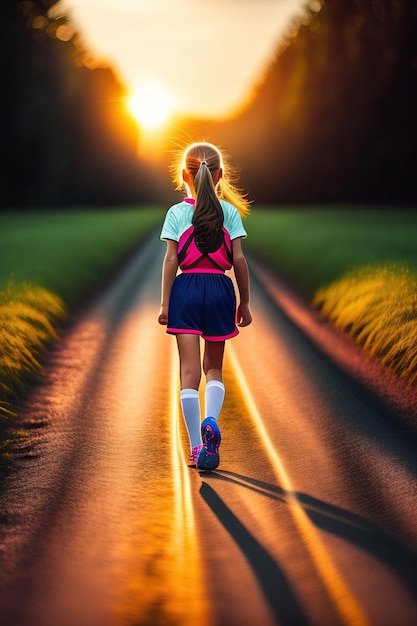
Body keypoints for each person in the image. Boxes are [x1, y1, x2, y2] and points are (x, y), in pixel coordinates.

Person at [158, 141, 252, 470]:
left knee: (188, 373)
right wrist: (246, 302)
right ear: (220, 176)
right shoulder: (230, 213)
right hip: (220, 291)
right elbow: (238, 260)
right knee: (213, 367)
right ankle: (210, 419)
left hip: (185, 290)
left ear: (184, 175)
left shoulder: (176, 213)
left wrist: (165, 303)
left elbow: (171, 260)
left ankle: (198, 448)